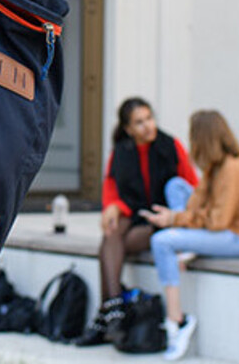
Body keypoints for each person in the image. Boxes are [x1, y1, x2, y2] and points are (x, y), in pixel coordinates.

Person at [140, 109, 239, 360]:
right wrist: (177, 218)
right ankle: (186, 245)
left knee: (161, 241)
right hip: (220, 229)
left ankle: (177, 321)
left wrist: (174, 221)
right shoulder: (215, 167)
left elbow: (219, 221)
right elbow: (196, 206)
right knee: (175, 186)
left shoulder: (233, 168)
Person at [80, 97, 201, 344]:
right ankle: (114, 308)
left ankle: (108, 314)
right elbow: (112, 189)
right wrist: (112, 208)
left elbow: (192, 186)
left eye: (149, 118)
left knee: (111, 245)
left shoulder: (171, 145)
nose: (148, 126)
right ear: (128, 129)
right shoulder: (121, 152)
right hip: (132, 215)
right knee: (112, 232)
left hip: (162, 219)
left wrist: (181, 217)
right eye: (139, 122)